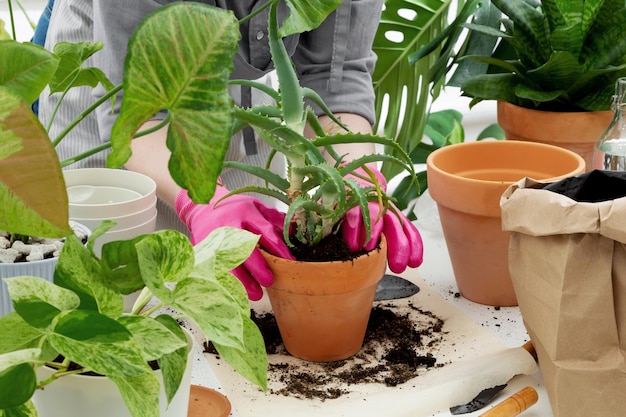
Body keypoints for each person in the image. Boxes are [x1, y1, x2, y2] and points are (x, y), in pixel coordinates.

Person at [39, 0, 423, 300]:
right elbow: (138, 113)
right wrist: (203, 203)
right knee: (118, 287)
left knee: (233, 267)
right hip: (119, 77)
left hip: (235, 90)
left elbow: (336, 79)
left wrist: (355, 176)